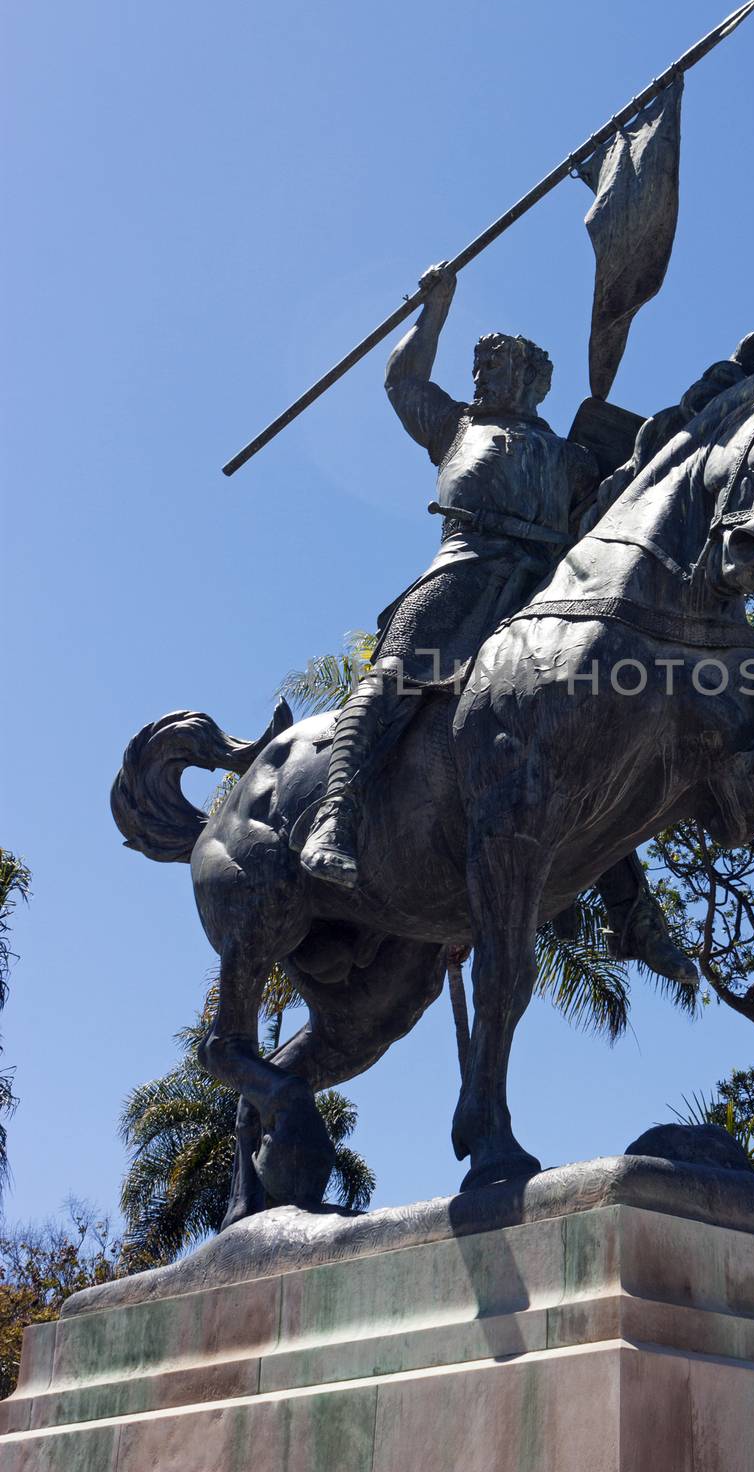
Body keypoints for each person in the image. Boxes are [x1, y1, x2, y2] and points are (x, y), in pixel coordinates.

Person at [300, 263, 697, 987]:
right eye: (482, 366)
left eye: (504, 367)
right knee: (388, 684)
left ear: (536, 382)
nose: (488, 377)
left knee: (577, 740)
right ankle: (336, 818)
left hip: (538, 596)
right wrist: (434, 310)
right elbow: (401, 381)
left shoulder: (570, 457)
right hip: (462, 573)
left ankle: (630, 910)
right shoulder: (454, 426)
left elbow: (620, 504)